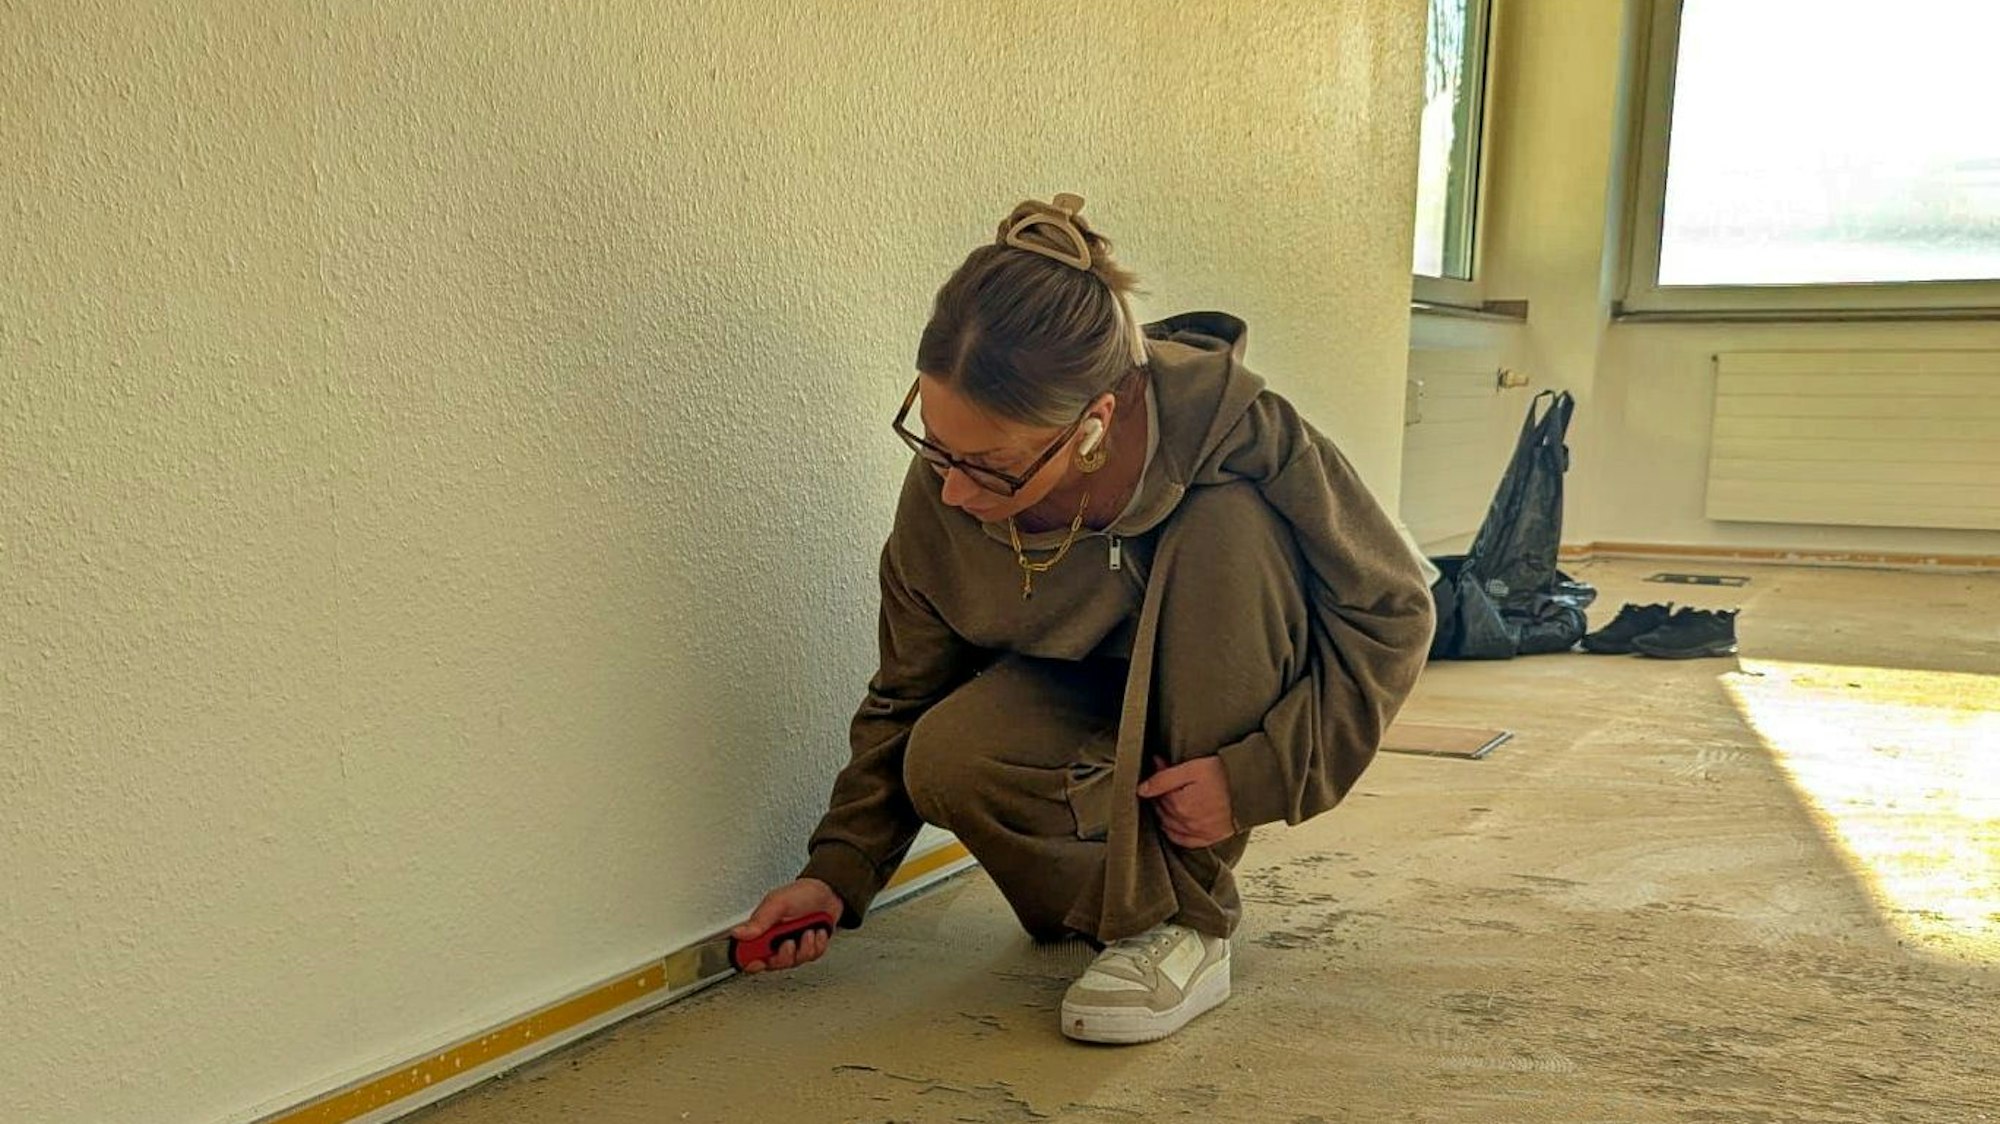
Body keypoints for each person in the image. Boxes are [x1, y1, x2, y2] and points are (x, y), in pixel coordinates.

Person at [733, 194, 1435, 1044]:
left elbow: (1392, 608)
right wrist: (837, 872)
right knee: (945, 752)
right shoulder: (947, 487)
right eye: (936, 446)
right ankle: (1122, 911)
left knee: (1227, 523)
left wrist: (1260, 775)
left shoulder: (1246, 435)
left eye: (986, 465)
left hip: (1221, 686)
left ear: (1094, 426)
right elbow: (906, 689)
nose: (952, 490)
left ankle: (1189, 922)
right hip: (1082, 707)